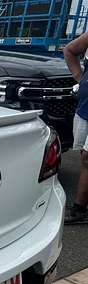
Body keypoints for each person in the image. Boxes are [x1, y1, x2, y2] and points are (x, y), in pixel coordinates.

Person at [63, 34, 88, 224]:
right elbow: (69, 51)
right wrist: (81, 78)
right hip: (85, 109)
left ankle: (80, 208)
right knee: (84, 157)